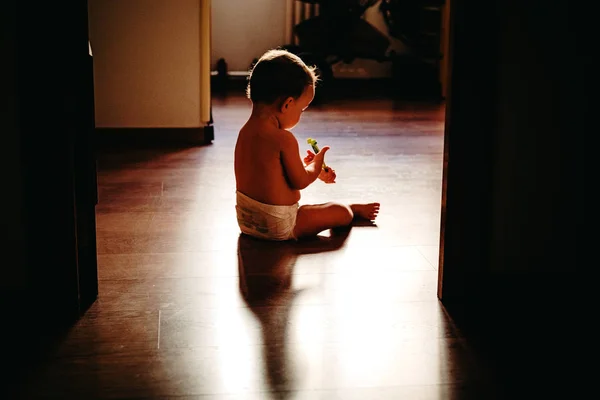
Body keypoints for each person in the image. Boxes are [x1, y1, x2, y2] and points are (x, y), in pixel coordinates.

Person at [234, 49, 380, 241]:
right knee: (340, 212)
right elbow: (300, 181)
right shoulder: (284, 139)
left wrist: (308, 168)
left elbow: (271, 175)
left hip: (247, 222)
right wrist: (316, 164)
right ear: (287, 105)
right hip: (279, 225)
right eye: (302, 109)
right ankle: (351, 208)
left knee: (311, 210)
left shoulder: (244, 133)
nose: (301, 114)